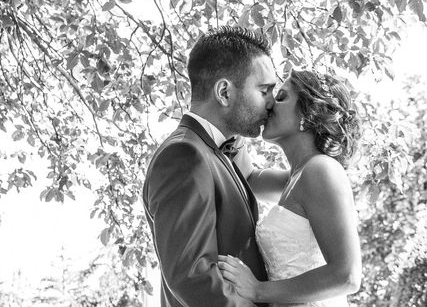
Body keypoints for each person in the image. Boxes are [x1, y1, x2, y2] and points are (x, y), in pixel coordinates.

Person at [142, 26, 277, 307]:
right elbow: (192, 276)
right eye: (264, 90)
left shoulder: (214, 149)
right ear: (224, 91)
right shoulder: (184, 155)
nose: (271, 103)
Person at [218, 69, 363, 307]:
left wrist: (258, 291)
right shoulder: (295, 177)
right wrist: (239, 109)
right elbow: (248, 178)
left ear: (309, 113)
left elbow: (347, 275)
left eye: (282, 97)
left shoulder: (321, 170)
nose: (270, 104)